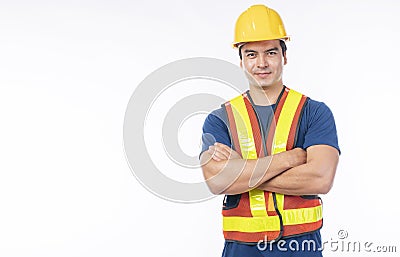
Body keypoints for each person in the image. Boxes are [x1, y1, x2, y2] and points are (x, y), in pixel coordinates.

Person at [199, 4, 340, 257]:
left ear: (284, 56)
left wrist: (242, 170)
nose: (261, 63)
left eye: (271, 52)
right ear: (241, 60)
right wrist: (291, 158)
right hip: (241, 248)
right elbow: (218, 180)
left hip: (301, 246)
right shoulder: (219, 119)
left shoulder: (315, 112)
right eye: (251, 54)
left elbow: (321, 178)